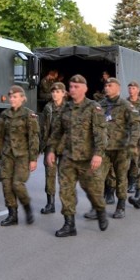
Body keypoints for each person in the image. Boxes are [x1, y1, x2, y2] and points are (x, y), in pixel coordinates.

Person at [46, 74, 108, 237]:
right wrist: (51, 150)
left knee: (93, 191)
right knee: (66, 191)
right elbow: (57, 131)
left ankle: (100, 210)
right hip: (68, 157)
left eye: (76, 87)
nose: (72, 90)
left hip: (88, 159)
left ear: (85, 89)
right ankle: (69, 224)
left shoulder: (93, 108)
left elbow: (100, 134)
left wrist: (98, 154)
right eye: (71, 87)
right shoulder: (65, 108)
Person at [88, 77, 140, 219]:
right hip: (103, 148)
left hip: (121, 148)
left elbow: (135, 125)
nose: (107, 88)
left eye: (110, 85)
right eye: (106, 85)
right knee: (97, 177)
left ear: (118, 88)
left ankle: (121, 206)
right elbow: (93, 125)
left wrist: (132, 143)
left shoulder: (126, 105)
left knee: (121, 178)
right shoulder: (100, 105)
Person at [0, 85, 40, 226]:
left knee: (17, 184)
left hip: (22, 156)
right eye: (10, 97)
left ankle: (27, 207)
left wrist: (33, 159)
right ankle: (12, 215)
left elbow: (34, 138)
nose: (12, 99)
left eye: (15, 97)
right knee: (6, 185)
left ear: (22, 98)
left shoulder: (29, 115)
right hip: (7, 155)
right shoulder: (5, 115)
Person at [40, 82, 66, 214]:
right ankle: (50, 204)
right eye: (53, 92)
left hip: (65, 147)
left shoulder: (68, 108)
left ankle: (67, 203)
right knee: (49, 175)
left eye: (57, 91)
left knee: (64, 176)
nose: (55, 94)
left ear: (63, 93)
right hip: (50, 147)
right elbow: (42, 128)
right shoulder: (47, 108)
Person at [125, 81, 140, 196]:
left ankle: (132, 182)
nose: (131, 90)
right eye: (129, 88)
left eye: (133, 88)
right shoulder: (124, 103)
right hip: (125, 134)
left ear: (137, 90)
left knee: (135, 160)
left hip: (138, 135)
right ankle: (126, 180)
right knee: (125, 159)